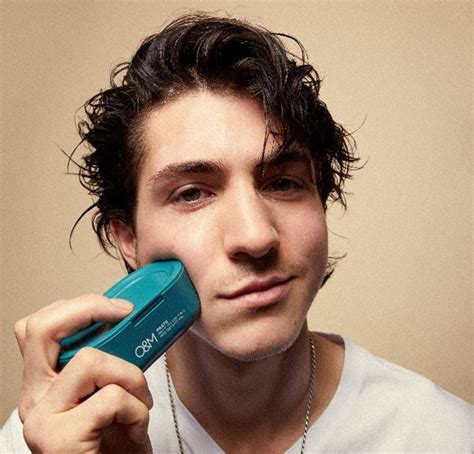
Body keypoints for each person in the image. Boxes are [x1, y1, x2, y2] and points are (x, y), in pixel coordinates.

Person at [1, 13, 472, 453]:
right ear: (129, 239)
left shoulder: (443, 435)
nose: (255, 236)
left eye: (283, 183)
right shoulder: (49, 435)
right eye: (192, 194)